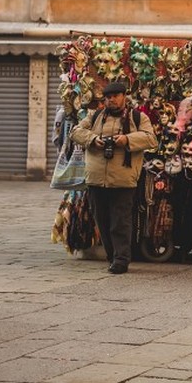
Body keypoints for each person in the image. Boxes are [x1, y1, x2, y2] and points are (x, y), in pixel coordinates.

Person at [70, 81, 157, 274]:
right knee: (102, 221)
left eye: (116, 96)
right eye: (108, 97)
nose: (112, 100)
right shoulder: (95, 116)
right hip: (96, 179)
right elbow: (75, 132)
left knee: (120, 222)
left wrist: (127, 139)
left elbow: (151, 139)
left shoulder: (137, 117)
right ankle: (112, 256)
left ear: (124, 96)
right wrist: (93, 140)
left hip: (123, 180)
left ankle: (121, 260)